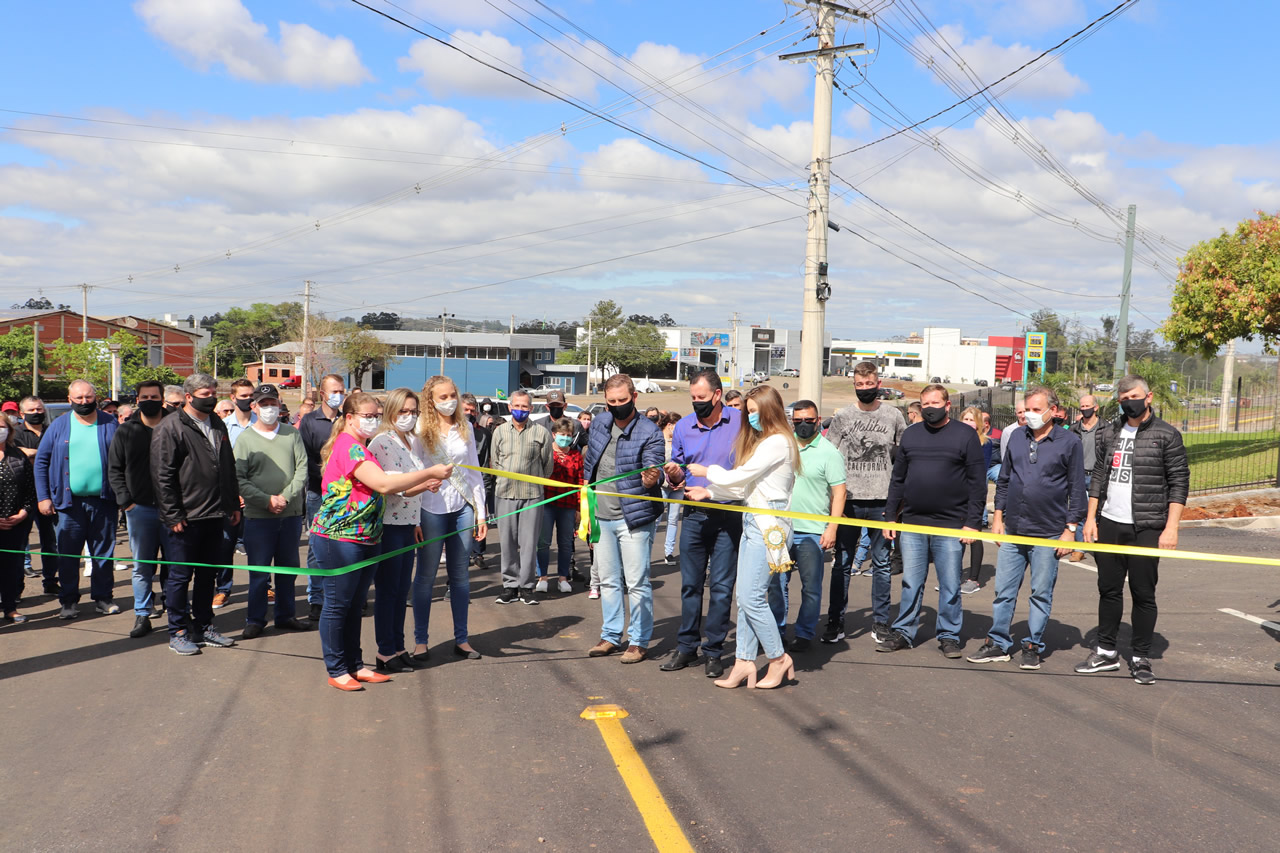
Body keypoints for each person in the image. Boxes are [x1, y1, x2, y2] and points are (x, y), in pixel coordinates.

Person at [310, 394, 451, 690]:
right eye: (367, 415)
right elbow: (384, 483)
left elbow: (387, 489)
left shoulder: (361, 447)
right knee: (338, 605)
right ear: (349, 417)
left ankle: (355, 664)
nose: (373, 420)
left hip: (365, 537)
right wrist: (429, 471)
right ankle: (337, 669)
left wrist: (424, 484)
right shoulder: (349, 447)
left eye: (375, 415)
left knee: (354, 604)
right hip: (339, 539)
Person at [1076, 375, 1188, 685]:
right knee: (1108, 590)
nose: (1129, 403)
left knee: (1143, 592)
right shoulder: (1110, 431)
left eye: (1134, 397)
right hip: (1110, 522)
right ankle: (1106, 651)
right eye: (1123, 399)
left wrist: (1171, 528)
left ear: (1149, 397)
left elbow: (1179, 482)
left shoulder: (1167, 435)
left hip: (1147, 525)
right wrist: (1090, 518)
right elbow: (1099, 475)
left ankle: (1141, 657)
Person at [686, 385, 799, 689]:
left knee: (752, 597)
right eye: (747, 411)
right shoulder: (767, 441)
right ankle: (743, 662)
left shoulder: (777, 442)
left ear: (769, 409)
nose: (748, 417)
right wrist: (708, 492)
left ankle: (778, 659)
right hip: (754, 521)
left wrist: (706, 471)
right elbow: (744, 488)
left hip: (770, 525)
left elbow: (738, 477)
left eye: (752, 411)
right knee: (745, 597)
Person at [968, 387, 1086, 670]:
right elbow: (1005, 480)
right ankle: (998, 642)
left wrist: (1070, 530)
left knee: (1041, 593)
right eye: (1027, 409)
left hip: (1049, 531)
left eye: (1036, 409)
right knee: (1003, 591)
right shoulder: (1017, 438)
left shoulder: (1069, 442)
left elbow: (1077, 488)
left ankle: (1033, 644)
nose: (1030, 415)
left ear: (1053, 411)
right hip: (1014, 529)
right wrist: (997, 517)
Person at [879, 384, 986, 658]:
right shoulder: (911, 435)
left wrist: (973, 522)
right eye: (925, 404)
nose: (929, 408)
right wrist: (890, 517)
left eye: (935, 403)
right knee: (911, 582)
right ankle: (904, 631)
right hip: (913, 523)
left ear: (948, 405)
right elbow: (898, 479)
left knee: (950, 584)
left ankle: (949, 635)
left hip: (951, 524)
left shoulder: (965, 435)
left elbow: (977, 484)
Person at [660, 368, 743, 679]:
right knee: (690, 585)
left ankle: (714, 651)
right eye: (693, 398)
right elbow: (678, 472)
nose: (697, 403)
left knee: (721, 588)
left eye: (702, 398)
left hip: (729, 514)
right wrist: (674, 474)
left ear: (718, 395)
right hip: (694, 516)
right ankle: (686, 647)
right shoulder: (683, 426)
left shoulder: (739, 421)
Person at [150, 374, 241, 655]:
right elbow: (162, 475)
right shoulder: (170, 427)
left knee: (206, 575)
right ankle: (177, 630)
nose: (211, 396)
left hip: (215, 512)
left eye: (214, 391)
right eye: (205, 393)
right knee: (179, 576)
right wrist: (173, 514)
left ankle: (204, 626)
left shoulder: (216, 422)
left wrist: (232, 505)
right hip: (185, 517)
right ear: (188, 397)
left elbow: (227, 466)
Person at [583, 375, 664, 664]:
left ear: (634, 398)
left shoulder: (649, 431)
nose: (617, 406)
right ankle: (611, 635)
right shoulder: (599, 424)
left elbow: (656, 468)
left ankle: (639, 641)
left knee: (637, 581)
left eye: (622, 401)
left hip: (634, 519)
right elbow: (589, 466)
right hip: (601, 516)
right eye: (612, 402)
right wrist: (587, 511)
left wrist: (653, 477)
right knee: (607, 580)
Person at [824, 361, 905, 644]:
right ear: (854, 385)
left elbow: (904, 453)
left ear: (878, 384)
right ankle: (835, 621)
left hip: (883, 501)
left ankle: (881, 622)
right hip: (849, 501)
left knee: (882, 564)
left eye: (870, 385)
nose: (865, 389)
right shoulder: (843, 416)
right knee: (842, 564)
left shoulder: (893, 415)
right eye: (860, 385)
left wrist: (900, 499)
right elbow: (828, 453)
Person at [414, 376, 488, 660]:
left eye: (451, 395)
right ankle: (421, 641)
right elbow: (415, 470)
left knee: (460, 576)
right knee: (426, 575)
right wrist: (415, 519)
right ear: (430, 401)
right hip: (430, 508)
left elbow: (474, 473)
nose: (449, 401)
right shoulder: (420, 429)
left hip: (463, 507)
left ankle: (463, 639)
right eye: (442, 397)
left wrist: (481, 513)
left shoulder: (465, 427)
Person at [34, 379, 121, 619]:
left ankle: (103, 598)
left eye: (88, 397)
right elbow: (41, 462)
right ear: (70, 398)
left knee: (103, 553)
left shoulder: (110, 423)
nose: (84, 402)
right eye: (79, 398)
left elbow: (123, 461)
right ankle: (69, 601)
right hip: (68, 504)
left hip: (104, 501)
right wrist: (43, 497)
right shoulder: (59, 425)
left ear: (96, 397)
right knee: (69, 555)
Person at [233, 384, 311, 640]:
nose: (269, 409)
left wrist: (285, 498)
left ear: (280, 406)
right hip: (259, 516)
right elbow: (240, 478)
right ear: (253, 407)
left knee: (288, 569)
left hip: (289, 515)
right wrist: (266, 500)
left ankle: (286, 615)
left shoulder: (291, 434)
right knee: (259, 571)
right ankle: (255, 619)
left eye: (273, 404)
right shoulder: (245, 439)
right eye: (263, 404)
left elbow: (302, 469)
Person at [768, 399, 844, 653]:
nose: (802, 425)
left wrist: (831, 528)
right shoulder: (783, 446)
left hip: (812, 531)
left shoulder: (829, 452)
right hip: (781, 528)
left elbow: (839, 492)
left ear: (817, 419)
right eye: (797, 421)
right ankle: (777, 631)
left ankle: (804, 633)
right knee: (777, 585)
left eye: (809, 421)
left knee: (811, 587)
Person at [366, 388, 431, 670]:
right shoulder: (382, 442)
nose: (408, 417)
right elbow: (394, 488)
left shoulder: (409, 440)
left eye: (413, 412)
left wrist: (416, 522)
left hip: (407, 525)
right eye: (403, 411)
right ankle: (385, 651)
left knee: (401, 590)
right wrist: (427, 482)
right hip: (390, 526)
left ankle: (398, 645)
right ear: (391, 411)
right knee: (388, 591)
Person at [107, 380, 169, 637]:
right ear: (137, 399)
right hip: (139, 509)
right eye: (145, 396)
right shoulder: (126, 431)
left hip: (172, 510)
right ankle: (143, 615)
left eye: (154, 396)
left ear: (162, 398)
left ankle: (176, 611)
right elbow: (115, 469)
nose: (149, 400)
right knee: (142, 566)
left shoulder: (176, 425)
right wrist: (127, 502)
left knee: (175, 565)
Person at [491, 389, 553, 605]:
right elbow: (495, 462)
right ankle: (509, 586)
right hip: (505, 495)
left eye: (524, 406)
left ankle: (527, 587)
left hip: (532, 496)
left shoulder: (541, 433)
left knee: (528, 544)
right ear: (510, 407)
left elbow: (547, 467)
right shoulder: (499, 432)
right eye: (516, 406)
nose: (520, 410)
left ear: (531, 408)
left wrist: (532, 480)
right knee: (507, 543)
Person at [298, 374, 347, 623]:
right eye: (334, 390)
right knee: (317, 548)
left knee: (345, 546)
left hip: (347, 496)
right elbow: (305, 459)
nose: (338, 395)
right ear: (322, 392)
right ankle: (316, 599)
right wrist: (328, 478)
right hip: (319, 493)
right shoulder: (309, 421)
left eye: (341, 390)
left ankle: (342, 597)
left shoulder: (348, 418)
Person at [212, 378, 256, 610]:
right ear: (233, 398)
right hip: (230, 498)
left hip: (257, 497)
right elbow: (219, 465)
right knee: (226, 545)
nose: (248, 400)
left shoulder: (262, 424)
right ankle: (223, 589)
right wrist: (233, 494)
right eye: (243, 396)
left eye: (251, 395)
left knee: (258, 546)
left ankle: (264, 586)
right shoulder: (222, 426)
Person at [14, 396, 56, 590]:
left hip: (49, 493)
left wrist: (31, 453)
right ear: (22, 414)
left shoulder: (53, 430)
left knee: (50, 542)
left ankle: (50, 582)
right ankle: (15, 588)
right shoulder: (14, 433)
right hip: (23, 495)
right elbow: (15, 456)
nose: (37, 413)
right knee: (19, 545)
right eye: (31, 411)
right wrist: (45, 454)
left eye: (39, 410)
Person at [537, 417, 582, 595]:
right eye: (562, 434)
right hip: (547, 504)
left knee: (565, 543)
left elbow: (579, 481)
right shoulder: (546, 452)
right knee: (543, 542)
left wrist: (579, 507)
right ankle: (542, 578)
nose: (565, 438)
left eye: (569, 435)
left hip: (568, 506)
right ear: (554, 434)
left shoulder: (576, 455)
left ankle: (563, 578)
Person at [0, 413, 35, 624]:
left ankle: (10, 607)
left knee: (12, 568)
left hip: (15, 524)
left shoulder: (18, 456)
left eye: (2, 426)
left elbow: (31, 491)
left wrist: (23, 513)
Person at [957, 406, 991, 595]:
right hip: (955, 495)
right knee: (956, 536)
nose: (968, 423)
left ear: (978, 423)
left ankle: (974, 579)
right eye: (965, 419)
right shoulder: (954, 440)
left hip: (974, 495)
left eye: (972, 420)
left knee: (974, 535)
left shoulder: (985, 443)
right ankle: (954, 577)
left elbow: (978, 471)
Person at [461, 393, 494, 570]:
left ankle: (478, 553)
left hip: (480, 481)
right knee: (464, 521)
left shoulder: (484, 434)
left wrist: (486, 485)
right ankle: (463, 554)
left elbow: (487, 460)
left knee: (481, 517)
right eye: (465, 409)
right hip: (460, 483)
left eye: (472, 410)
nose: (469, 413)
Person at [1068, 394, 1101, 561]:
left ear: (1096, 407)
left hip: (1098, 476)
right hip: (1079, 475)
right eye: (1082, 406)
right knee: (1081, 512)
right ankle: (1080, 548)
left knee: (1099, 512)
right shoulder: (1074, 430)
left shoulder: (1106, 429)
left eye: (1087, 406)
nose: (1084, 409)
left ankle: (1098, 546)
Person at [658, 412, 682, 565]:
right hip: (662, 486)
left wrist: (682, 481)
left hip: (678, 488)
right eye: (676, 426)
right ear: (669, 424)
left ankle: (669, 552)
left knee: (673, 520)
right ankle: (647, 549)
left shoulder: (680, 441)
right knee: (656, 519)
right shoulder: (658, 440)